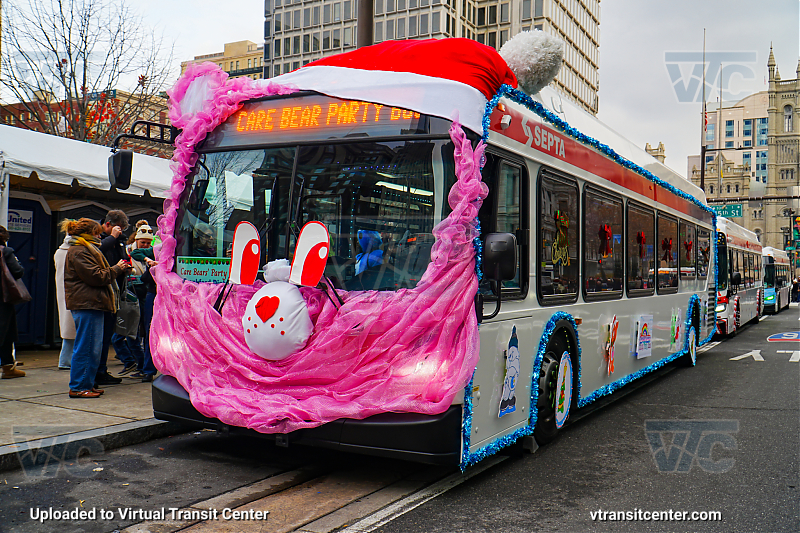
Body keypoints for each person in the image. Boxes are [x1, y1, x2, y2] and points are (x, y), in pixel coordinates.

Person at [62, 218, 130, 398]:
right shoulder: (79, 250)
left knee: (93, 347)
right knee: (86, 346)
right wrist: (117, 268)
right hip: (87, 303)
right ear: (90, 233)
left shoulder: (85, 249)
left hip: (92, 303)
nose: (100, 236)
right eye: (97, 232)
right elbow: (96, 277)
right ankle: (78, 387)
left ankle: (87, 383)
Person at [96, 210, 130, 385]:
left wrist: (126, 266)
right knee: (99, 337)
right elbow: (97, 253)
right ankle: (97, 371)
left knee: (107, 335)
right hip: (102, 293)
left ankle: (101, 369)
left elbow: (122, 259)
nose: (121, 232)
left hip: (115, 292)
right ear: (108, 224)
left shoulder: (119, 241)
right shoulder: (98, 236)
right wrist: (112, 238)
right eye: (119, 228)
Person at [129, 224, 159, 382]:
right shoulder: (158, 249)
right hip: (154, 293)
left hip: (169, 294)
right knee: (149, 331)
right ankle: (148, 369)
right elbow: (136, 252)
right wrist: (148, 259)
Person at [0, 225, 25, 379]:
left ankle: (9, 366)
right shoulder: (5, 251)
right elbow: (17, 271)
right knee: (5, 332)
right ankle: (8, 368)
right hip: (3, 298)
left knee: (6, 331)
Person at [54, 230, 76, 370]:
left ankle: (65, 360)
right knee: (74, 329)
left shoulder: (59, 252)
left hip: (63, 291)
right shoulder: (76, 252)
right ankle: (66, 361)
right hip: (74, 293)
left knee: (68, 328)